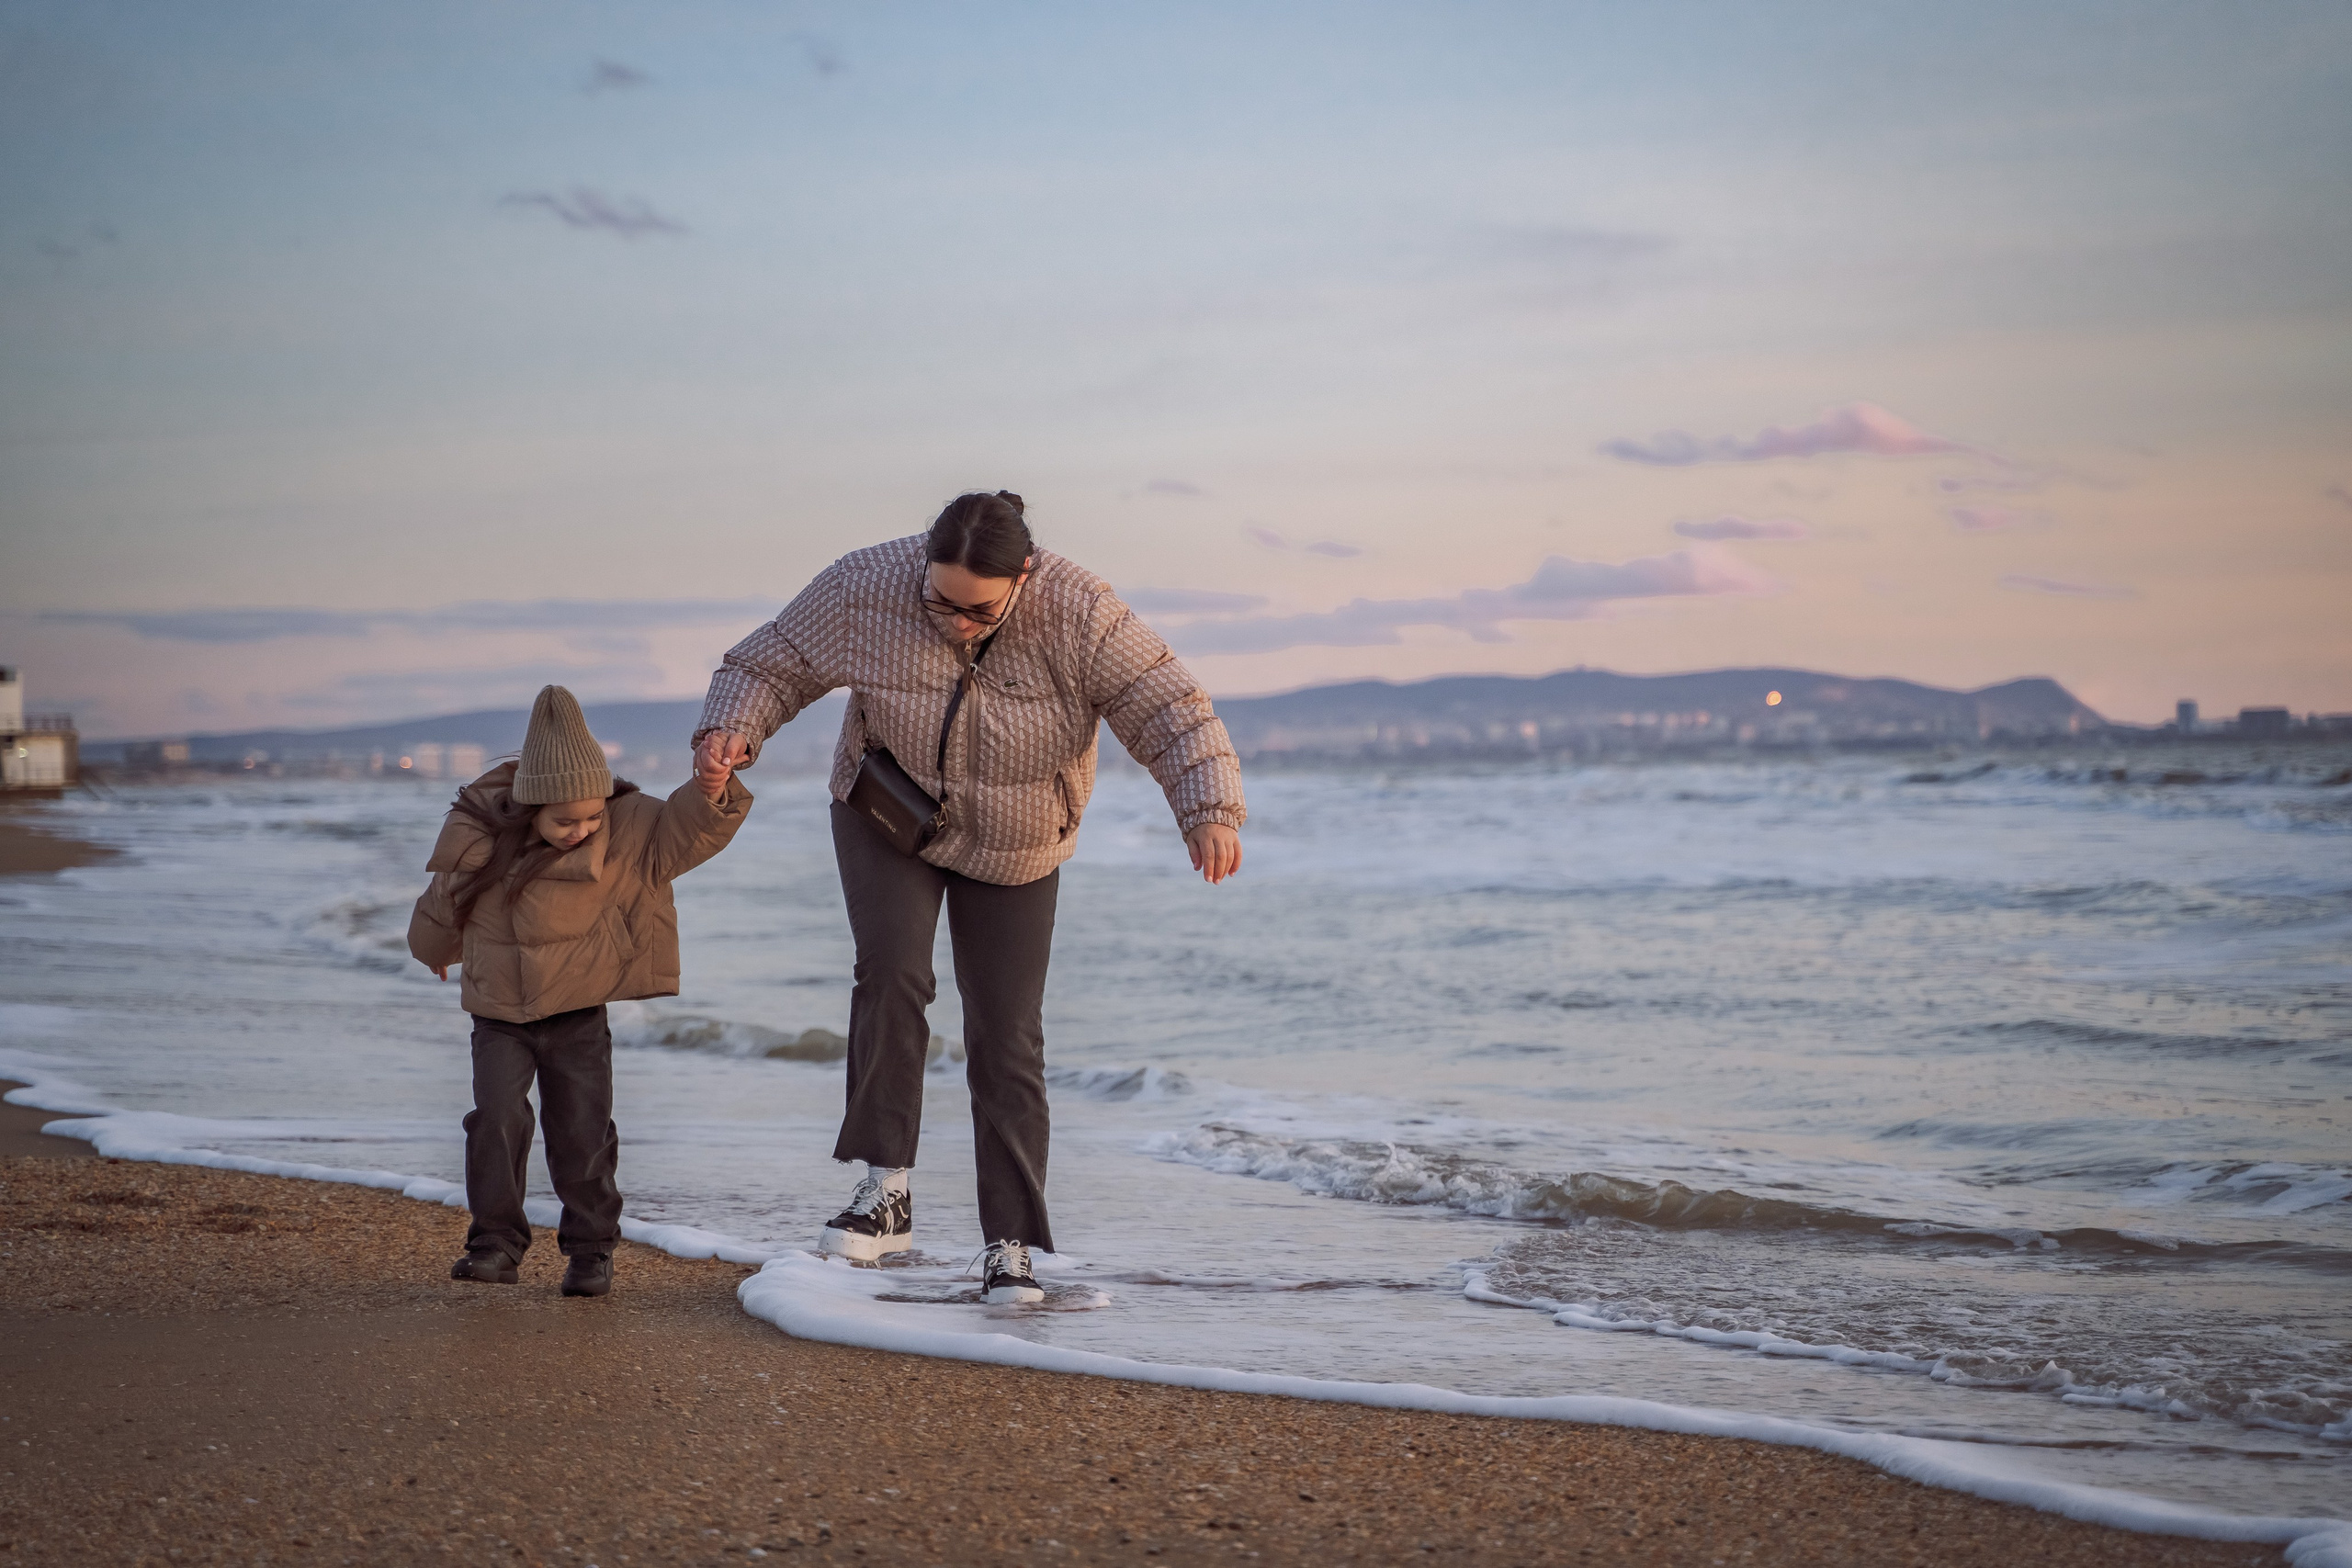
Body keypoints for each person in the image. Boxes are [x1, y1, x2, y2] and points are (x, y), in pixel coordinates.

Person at [695, 491, 1244, 1303]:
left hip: (1020, 837)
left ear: (1023, 575)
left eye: (977, 609)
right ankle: (885, 1192)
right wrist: (732, 729)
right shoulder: (868, 586)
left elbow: (1168, 706)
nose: (954, 620)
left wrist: (1207, 809)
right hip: (888, 811)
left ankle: (1011, 1243)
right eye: (939, 600)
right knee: (892, 973)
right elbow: (771, 662)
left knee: (1007, 1034)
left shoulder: (1080, 612)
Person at [409, 684, 752, 1297]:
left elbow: (686, 830)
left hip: (578, 1012)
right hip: (499, 1013)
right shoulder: (482, 838)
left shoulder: (626, 831)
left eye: (592, 816)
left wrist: (708, 789)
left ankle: (591, 1251)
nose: (581, 829)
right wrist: (435, 953)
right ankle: (494, 1244)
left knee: (582, 1131)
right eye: (565, 820)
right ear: (529, 808)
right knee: (496, 1119)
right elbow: (443, 906)